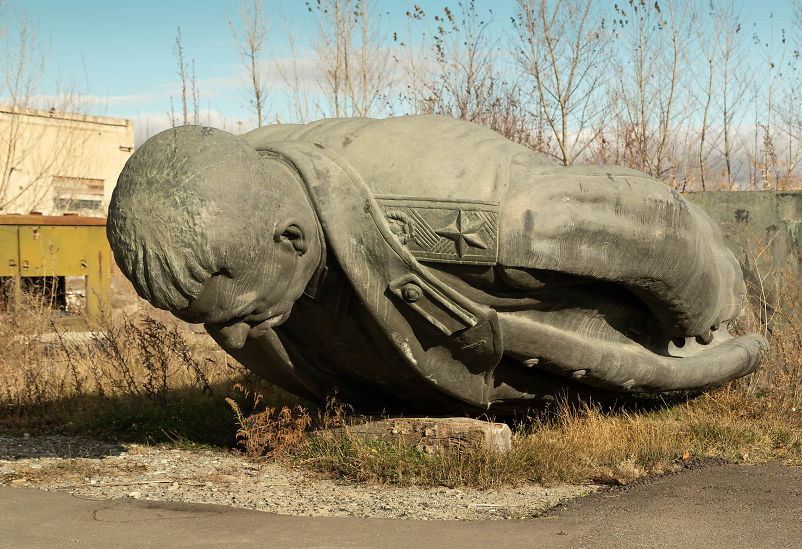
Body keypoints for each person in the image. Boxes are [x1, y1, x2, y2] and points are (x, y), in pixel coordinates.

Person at [107, 116, 765, 413]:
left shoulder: (493, 219)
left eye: (248, 316)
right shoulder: (228, 204)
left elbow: (658, 232)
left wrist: (714, 309)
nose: (240, 340)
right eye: (218, 328)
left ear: (292, 239)